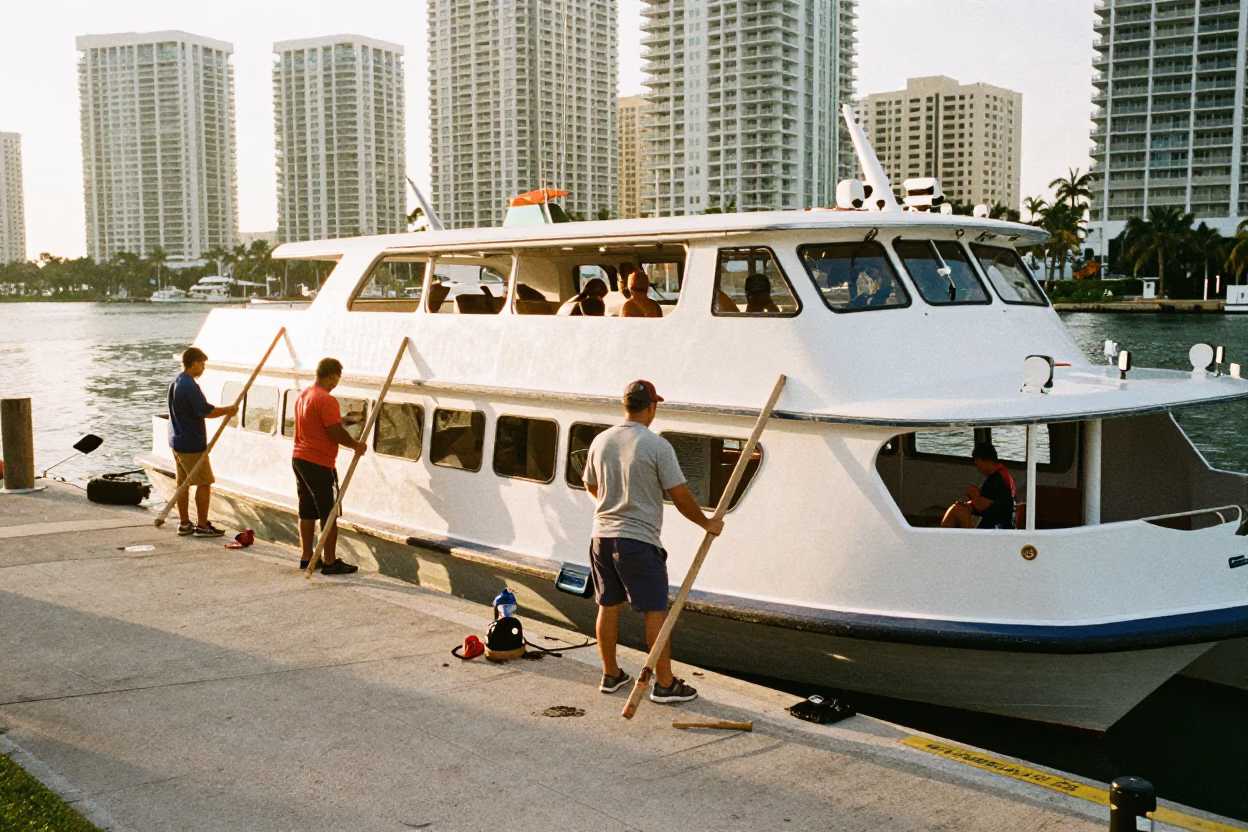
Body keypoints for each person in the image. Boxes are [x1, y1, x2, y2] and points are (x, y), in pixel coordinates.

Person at [582, 379, 724, 704]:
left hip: (601, 537)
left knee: (608, 605)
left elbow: (591, 486)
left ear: (625, 406)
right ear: (651, 407)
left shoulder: (601, 441)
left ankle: (611, 674)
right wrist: (708, 523)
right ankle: (664, 684)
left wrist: (613, 505)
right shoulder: (657, 446)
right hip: (638, 541)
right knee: (655, 610)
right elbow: (681, 495)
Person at [292, 357, 368, 574]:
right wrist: (356, 446)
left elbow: (315, 423)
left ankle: (307, 557)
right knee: (329, 511)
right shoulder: (327, 399)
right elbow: (334, 431)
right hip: (319, 461)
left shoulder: (303, 395)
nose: (337, 383)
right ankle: (329, 561)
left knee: (306, 509)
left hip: (299, 458)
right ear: (332, 375)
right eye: (337, 379)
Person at [167, 347, 238, 537]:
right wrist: (228, 410)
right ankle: (202, 525)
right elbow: (205, 411)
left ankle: (184, 523)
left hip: (177, 441)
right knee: (205, 482)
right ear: (194, 363)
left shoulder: (175, 382)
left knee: (183, 483)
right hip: (191, 444)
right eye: (202, 364)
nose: (203, 368)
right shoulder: (189, 385)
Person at [941, 442, 1017, 530]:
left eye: (978, 463)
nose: (978, 468)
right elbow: (987, 500)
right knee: (957, 507)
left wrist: (973, 494)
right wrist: (966, 504)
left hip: (996, 525)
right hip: (1000, 520)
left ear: (987, 460)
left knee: (956, 511)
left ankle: (946, 539)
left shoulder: (996, 479)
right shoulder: (1002, 474)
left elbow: (980, 506)